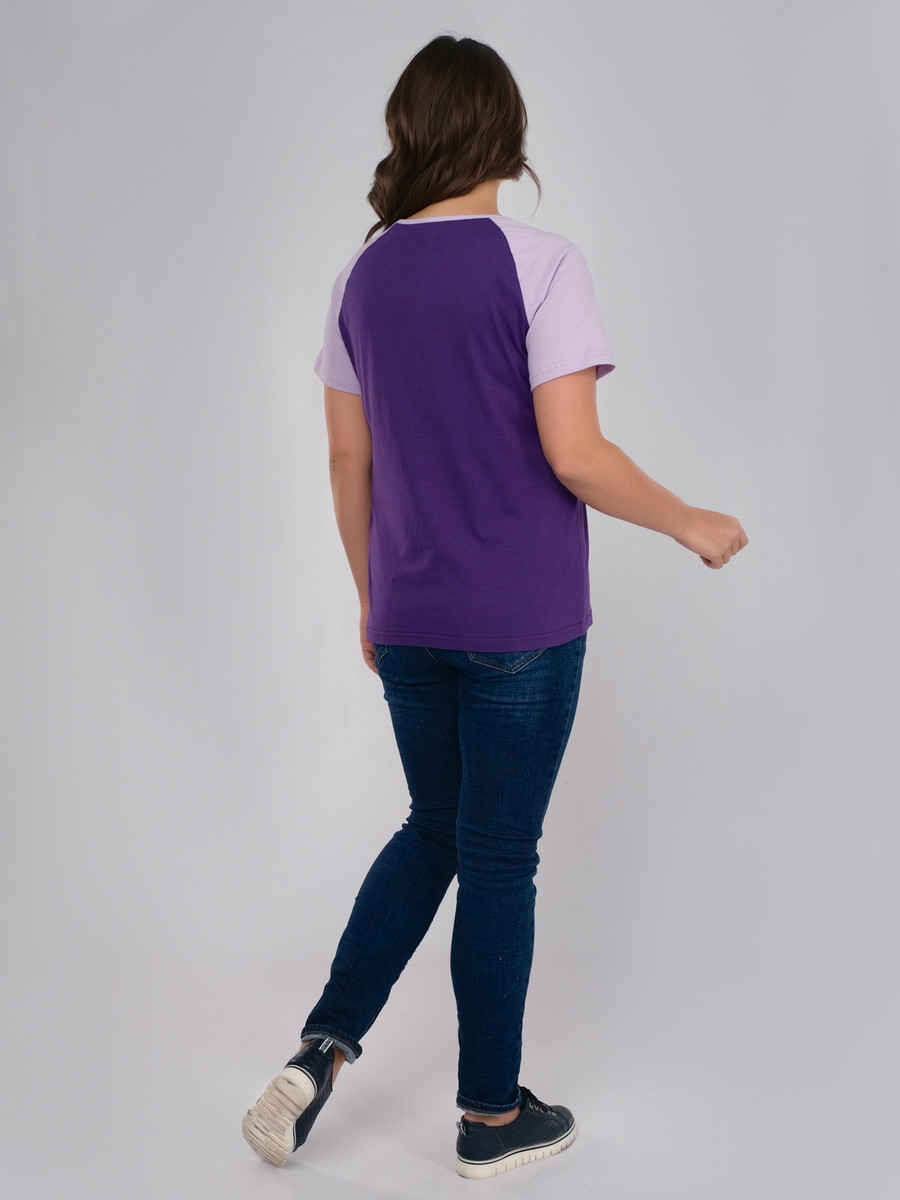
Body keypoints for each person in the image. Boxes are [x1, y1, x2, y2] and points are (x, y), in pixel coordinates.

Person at [242, 33, 748, 1181]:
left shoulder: (361, 279)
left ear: (410, 132)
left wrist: (372, 599)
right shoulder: (544, 264)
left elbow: (347, 463)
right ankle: (488, 1118)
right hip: (520, 622)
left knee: (435, 825)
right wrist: (688, 521)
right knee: (498, 857)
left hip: (410, 616)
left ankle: (320, 1049)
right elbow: (576, 456)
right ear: (507, 137)